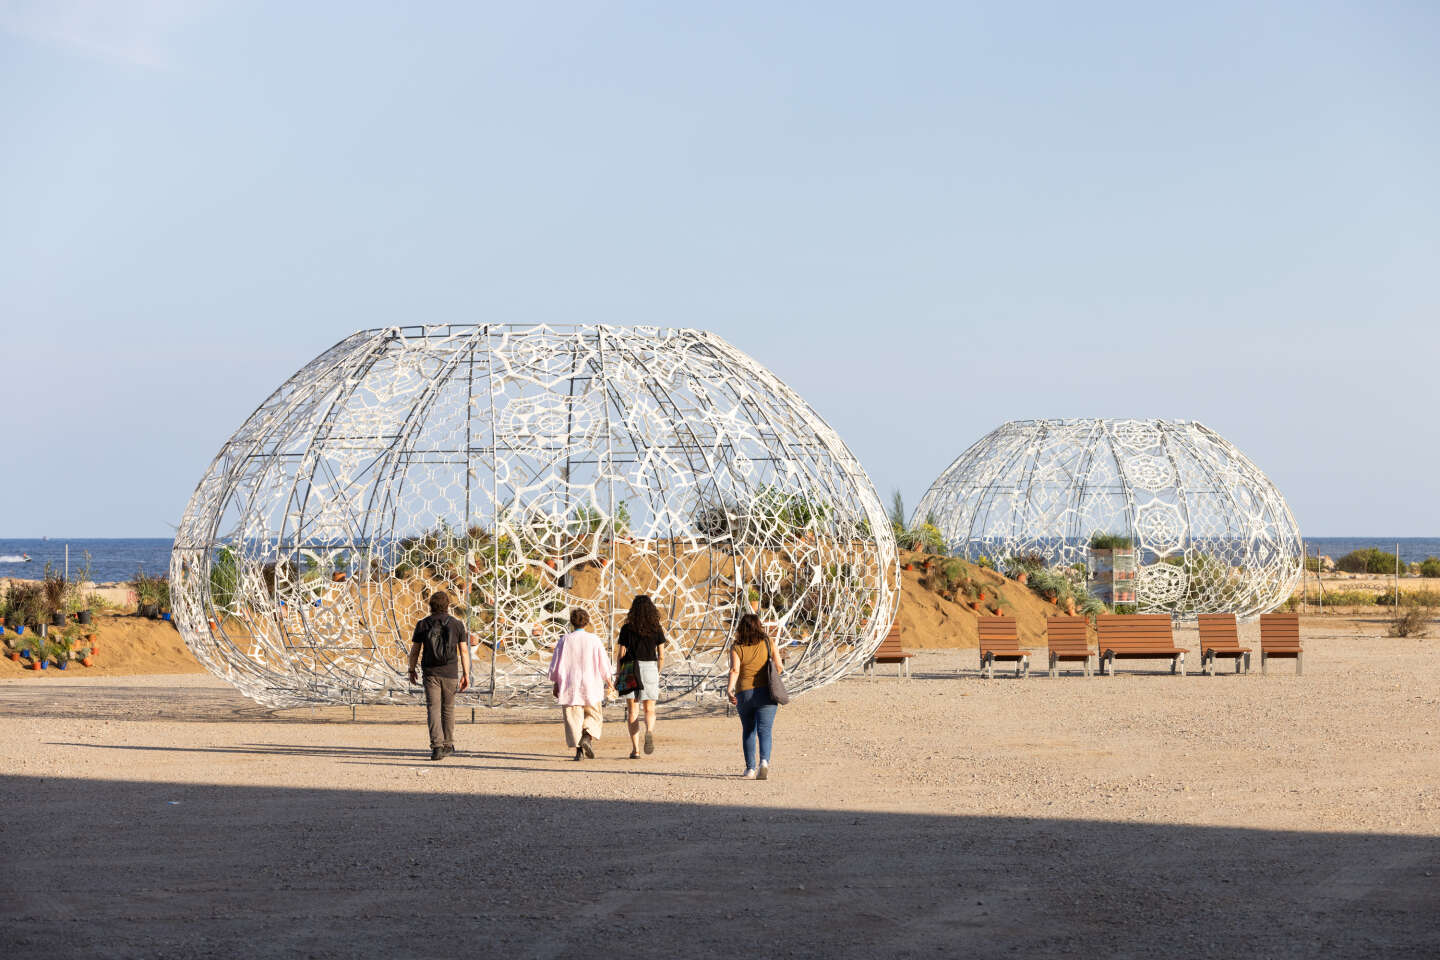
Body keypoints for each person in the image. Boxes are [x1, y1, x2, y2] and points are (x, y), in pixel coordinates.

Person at [407, 591, 470, 761]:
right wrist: (466, 674)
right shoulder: (457, 624)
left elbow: (415, 651)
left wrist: (411, 669)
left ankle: (436, 747)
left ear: (431, 606)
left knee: (433, 709)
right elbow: (463, 650)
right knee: (448, 708)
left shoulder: (423, 624)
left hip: (430, 673)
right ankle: (448, 744)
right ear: (448, 605)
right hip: (450, 672)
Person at [549, 607, 614, 761]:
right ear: (587, 622)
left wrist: (556, 683)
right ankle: (588, 735)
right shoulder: (594, 639)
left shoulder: (564, 640)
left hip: (570, 684)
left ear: (572, 622)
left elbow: (556, 664)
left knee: (573, 718)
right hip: (591, 684)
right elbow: (603, 663)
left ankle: (579, 751)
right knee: (594, 715)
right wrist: (609, 681)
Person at [726, 613, 783, 780]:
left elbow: (734, 670)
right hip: (766, 691)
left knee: (749, 730)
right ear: (759, 625)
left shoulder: (737, 646)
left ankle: (750, 768)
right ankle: (764, 762)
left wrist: (730, 690)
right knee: (765, 730)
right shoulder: (768, 642)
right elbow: (779, 666)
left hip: (744, 692)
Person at [615, 594, 665, 759]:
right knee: (649, 708)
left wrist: (618, 674)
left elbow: (620, 654)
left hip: (630, 668)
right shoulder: (656, 628)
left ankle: (635, 749)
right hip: (650, 666)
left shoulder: (627, 628)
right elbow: (661, 655)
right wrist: (657, 671)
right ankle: (649, 731)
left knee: (632, 711)